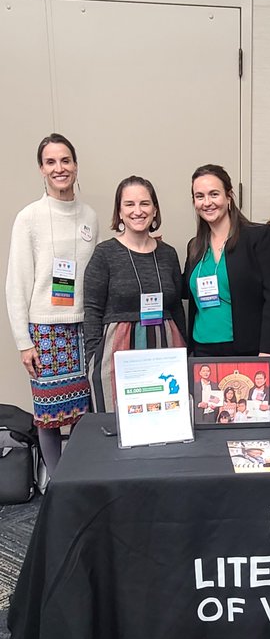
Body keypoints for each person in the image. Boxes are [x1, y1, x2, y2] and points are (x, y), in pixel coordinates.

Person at [6, 133, 99, 476]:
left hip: (84, 326)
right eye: (51, 162)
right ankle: (58, 482)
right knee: (48, 411)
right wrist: (23, 342)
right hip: (45, 329)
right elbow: (16, 282)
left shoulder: (89, 215)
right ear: (41, 169)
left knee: (81, 409)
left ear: (75, 165)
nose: (59, 168)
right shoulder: (28, 217)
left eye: (65, 160)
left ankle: (75, 475)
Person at [84, 177, 186, 412]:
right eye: (129, 204)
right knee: (118, 426)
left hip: (166, 350)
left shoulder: (168, 254)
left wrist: (184, 348)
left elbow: (177, 307)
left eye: (145, 204)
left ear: (155, 209)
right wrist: (93, 358)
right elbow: (92, 310)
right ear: (119, 212)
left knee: (164, 420)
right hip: (118, 352)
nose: (137, 211)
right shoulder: (104, 254)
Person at [185, 165, 270, 357]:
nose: (207, 202)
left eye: (214, 194)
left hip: (248, 349)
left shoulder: (258, 237)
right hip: (202, 349)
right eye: (200, 196)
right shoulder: (195, 246)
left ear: (229, 197)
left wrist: (268, 350)